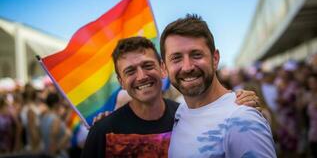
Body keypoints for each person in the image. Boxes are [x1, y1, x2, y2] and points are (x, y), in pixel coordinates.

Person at [81, 36, 261, 157]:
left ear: (162, 68)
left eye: (148, 65)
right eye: (130, 71)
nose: (142, 76)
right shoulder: (103, 131)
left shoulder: (186, 116)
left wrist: (238, 104)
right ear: (121, 81)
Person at [160, 14, 276, 157]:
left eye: (196, 55)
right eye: (176, 58)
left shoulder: (242, 118)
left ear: (215, 59)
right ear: (164, 68)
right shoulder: (180, 113)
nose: (187, 67)